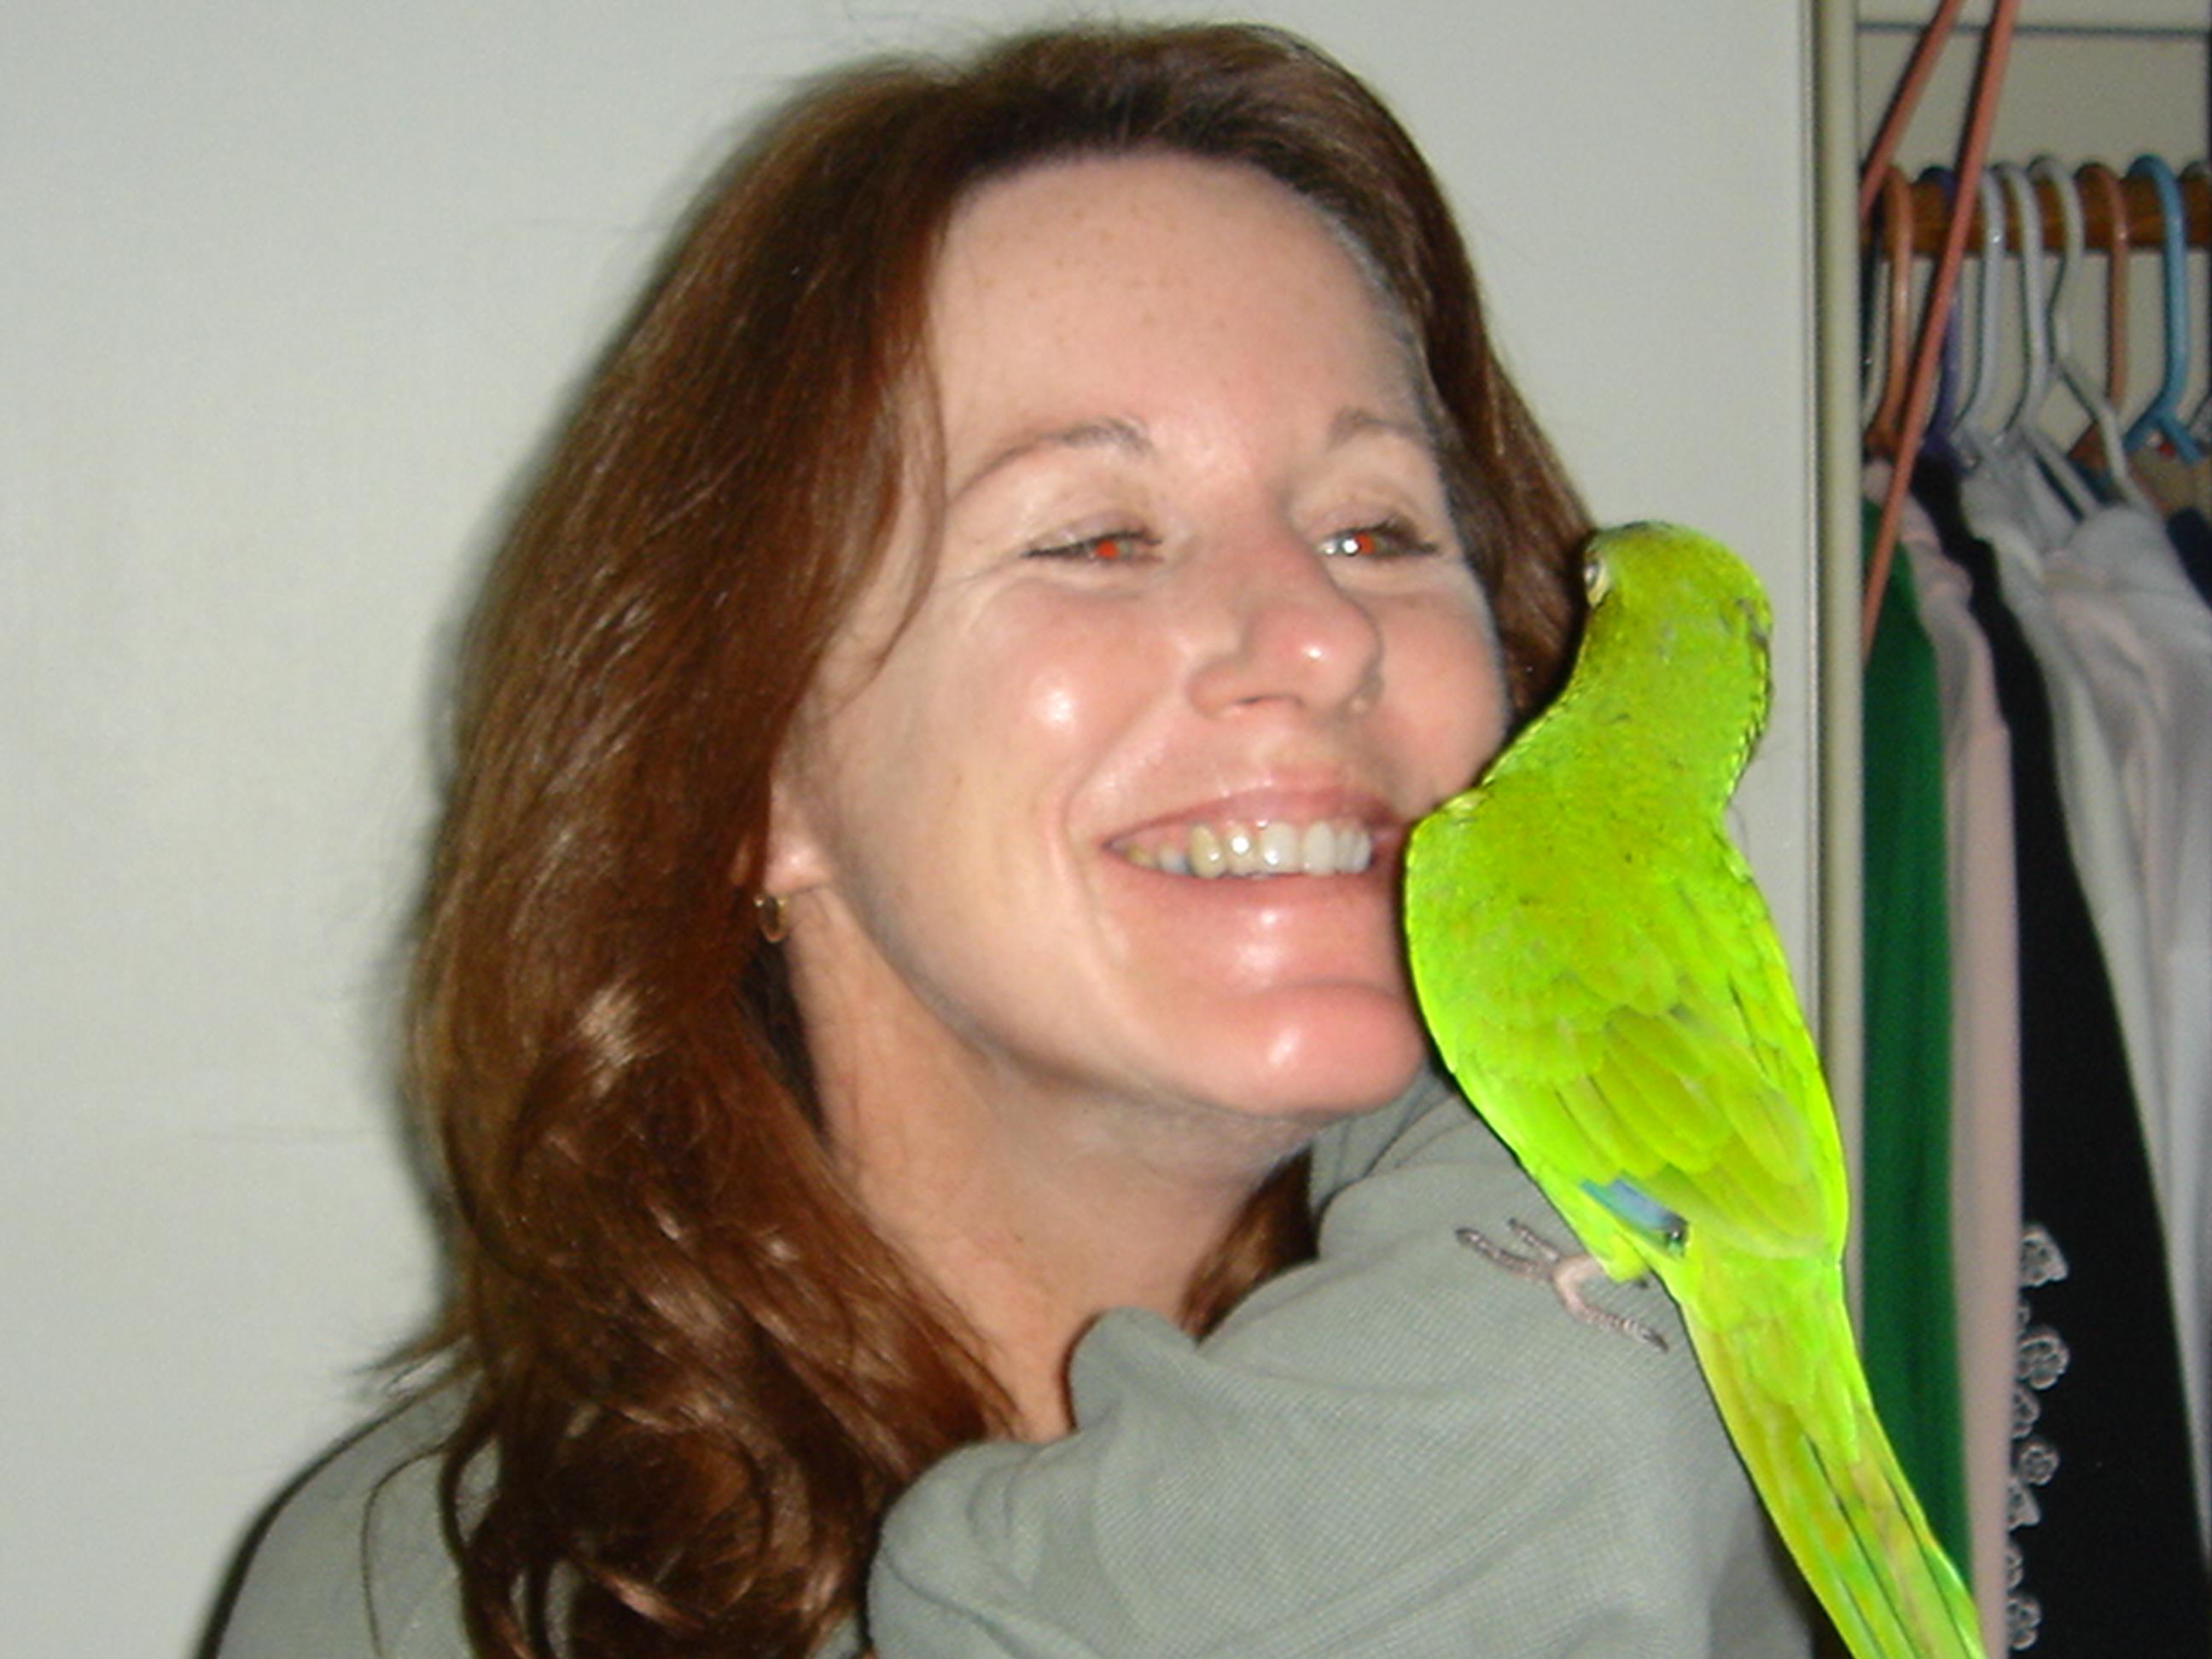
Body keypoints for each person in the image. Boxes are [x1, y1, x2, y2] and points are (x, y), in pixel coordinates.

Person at [210, 22, 1813, 1659]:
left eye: (1379, 526)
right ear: (752, 766)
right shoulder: (429, 1596)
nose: (1325, 631)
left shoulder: (1712, 1390)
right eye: (1103, 537)